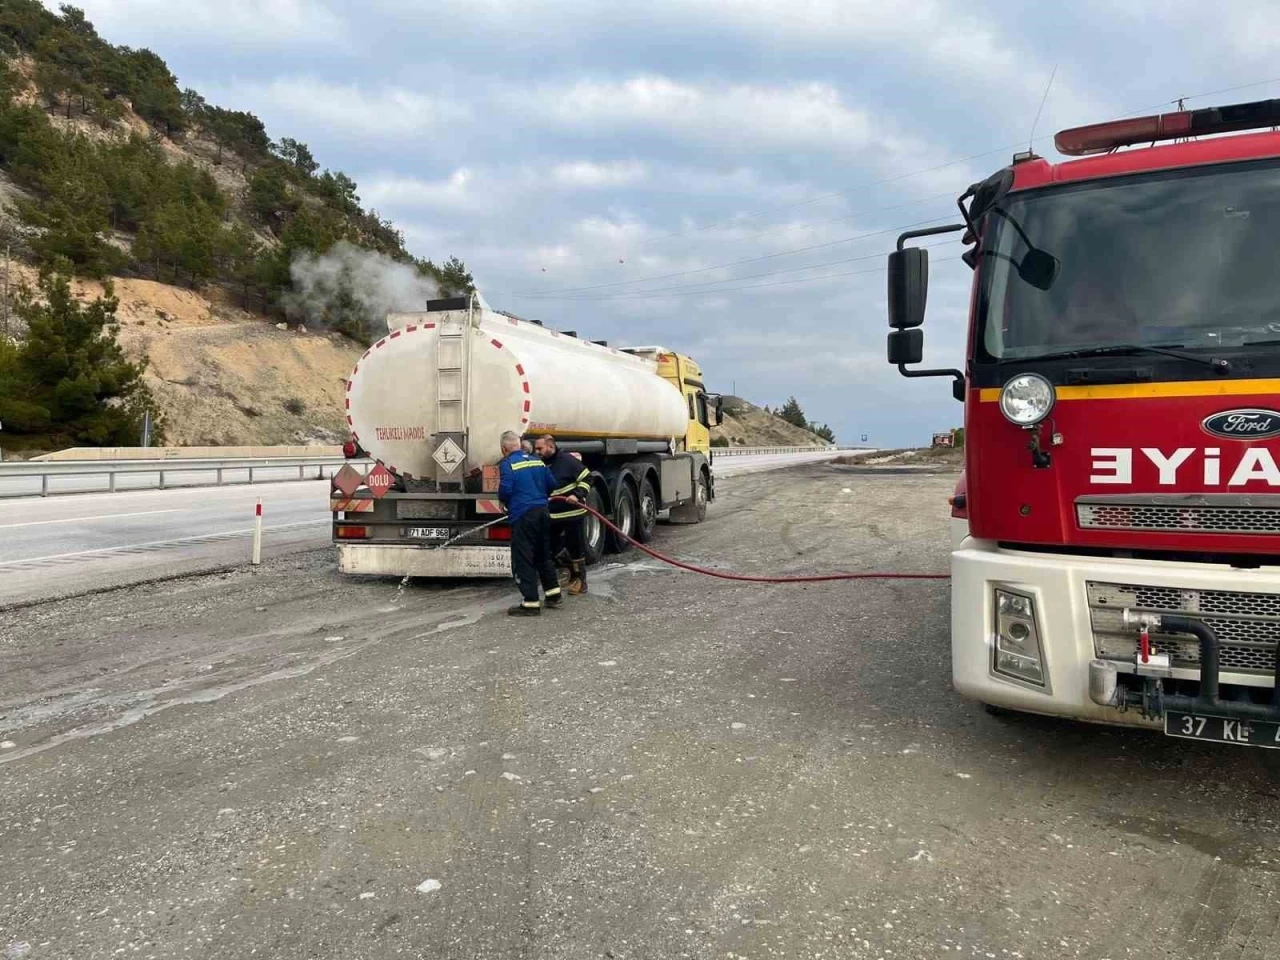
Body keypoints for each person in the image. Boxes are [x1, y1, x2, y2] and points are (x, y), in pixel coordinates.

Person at [497, 430, 562, 616]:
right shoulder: (537, 461)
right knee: (543, 554)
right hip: (542, 512)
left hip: (523, 515)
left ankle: (531, 603)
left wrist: (503, 501)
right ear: (519, 444)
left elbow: (506, 489)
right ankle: (553, 595)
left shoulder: (508, 464)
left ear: (504, 449)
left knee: (523, 558)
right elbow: (552, 484)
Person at [535, 434, 592, 595]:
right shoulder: (540, 463)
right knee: (552, 548)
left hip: (572, 513)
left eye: (540, 448)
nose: (537, 452)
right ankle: (573, 575)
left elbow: (588, 478)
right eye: (536, 449)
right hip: (552, 515)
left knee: (575, 547)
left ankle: (581, 581)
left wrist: (577, 494)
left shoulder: (568, 461)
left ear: (551, 447)